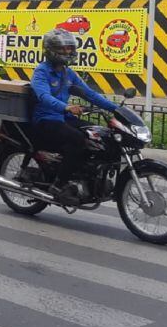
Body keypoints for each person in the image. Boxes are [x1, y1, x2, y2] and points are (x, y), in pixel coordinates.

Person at [31, 28, 118, 202]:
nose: (67, 52)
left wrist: (116, 109)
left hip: (64, 118)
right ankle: (59, 185)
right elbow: (44, 96)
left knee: (100, 135)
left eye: (70, 48)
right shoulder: (41, 71)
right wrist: (66, 107)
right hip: (46, 119)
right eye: (63, 49)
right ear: (50, 50)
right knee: (78, 140)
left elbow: (89, 94)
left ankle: (88, 176)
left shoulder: (67, 73)